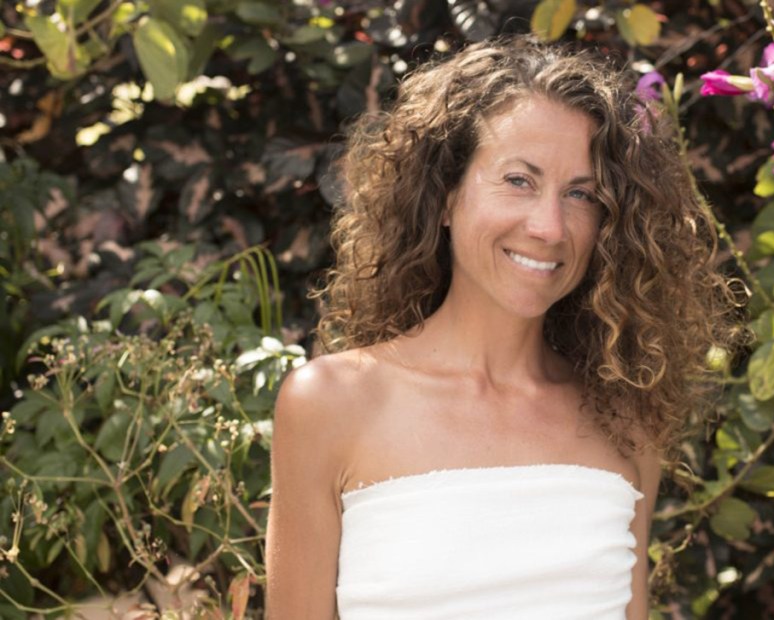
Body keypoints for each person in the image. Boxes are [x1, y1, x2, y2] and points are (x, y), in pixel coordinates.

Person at [266, 36, 740, 619]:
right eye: (519, 180)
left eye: (581, 194)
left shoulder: (624, 418)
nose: (549, 226)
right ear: (444, 196)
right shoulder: (331, 404)